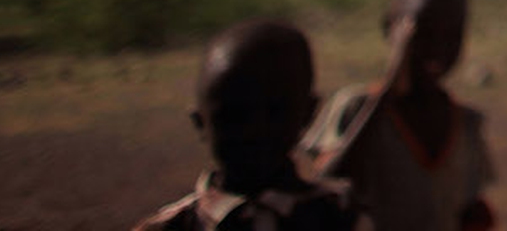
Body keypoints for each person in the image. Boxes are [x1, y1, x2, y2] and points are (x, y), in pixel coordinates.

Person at [302, 0, 497, 231]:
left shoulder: (466, 123)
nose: (438, 47)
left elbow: (469, 209)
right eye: (423, 33)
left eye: (452, 35)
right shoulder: (356, 107)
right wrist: (388, 89)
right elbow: (330, 179)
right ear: (390, 29)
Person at [132, 19, 364, 231]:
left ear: (308, 113)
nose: (253, 131)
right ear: (200, 121)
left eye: (275, 111)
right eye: (233, 114)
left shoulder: (344, 216)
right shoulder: (169, 228)